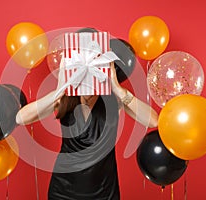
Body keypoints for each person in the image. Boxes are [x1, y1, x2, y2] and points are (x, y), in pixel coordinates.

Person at [15, 61, 158, 199]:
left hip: (104, 191)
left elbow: (152, 121)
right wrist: (58, 90)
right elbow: (20, 118)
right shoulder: (64, 98)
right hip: (63, 190)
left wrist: (118, 90)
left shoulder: (114, 99)